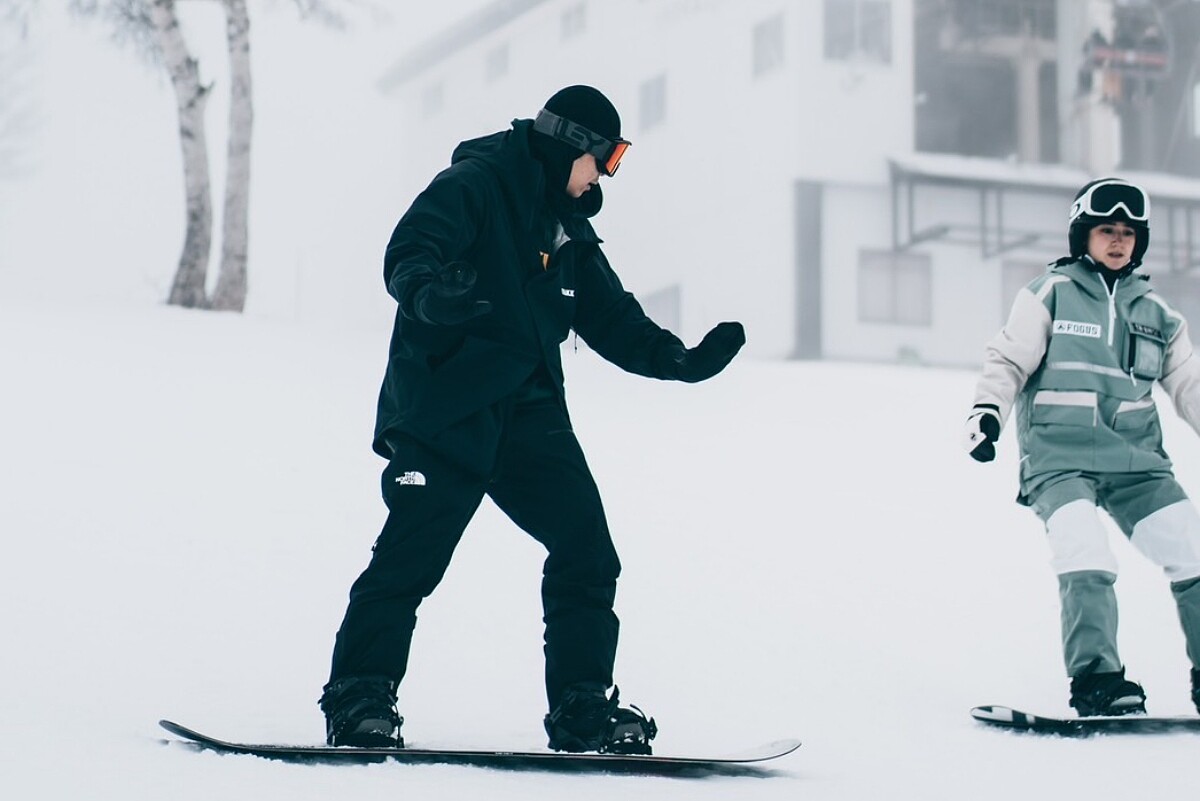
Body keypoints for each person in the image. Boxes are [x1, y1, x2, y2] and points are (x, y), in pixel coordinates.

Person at [319, 85, 746, 752]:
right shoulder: (473, 185)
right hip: (446, 407)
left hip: (528, 411)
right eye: (605, 158)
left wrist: (678, 359)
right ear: (570, 143)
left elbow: (610, 315)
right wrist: (431, 296)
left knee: (586, 549)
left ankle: (582, 707)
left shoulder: (566, 224)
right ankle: (359, 699)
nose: (605, 174)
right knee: (412, 558)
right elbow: (410, 250)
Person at [963, 177, 1200, 717]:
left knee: (1194, 551)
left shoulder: (1157, 312)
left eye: (1127, 233)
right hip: (1058, 459)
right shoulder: (1051, 291)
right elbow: (1008, 359)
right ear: (1082, 235)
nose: (1118, 241)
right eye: (1105, 230)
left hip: (1138, 466)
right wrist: (986, 412)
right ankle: (1099, 681)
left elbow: (1190, 384)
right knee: (1086, 553)